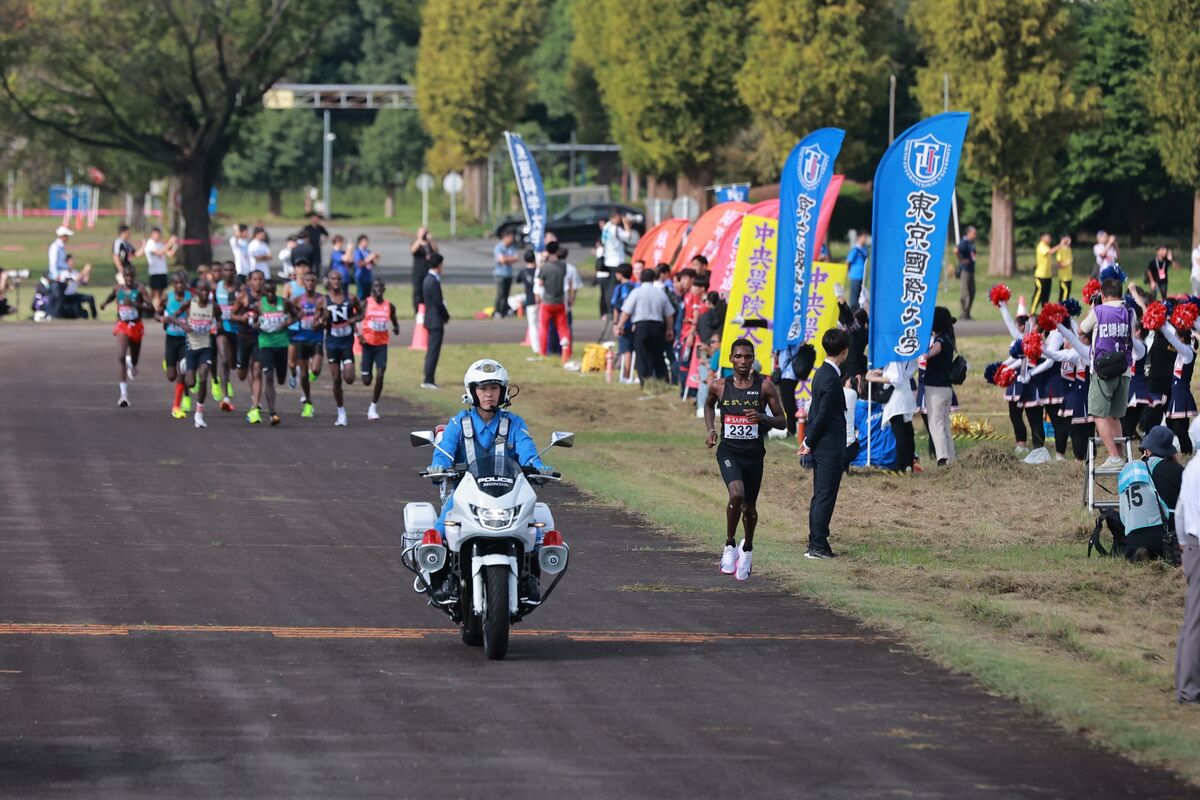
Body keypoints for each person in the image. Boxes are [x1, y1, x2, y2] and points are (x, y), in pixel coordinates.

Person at [426, 359, 552, 603]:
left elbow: (528, 451)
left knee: (537, 535)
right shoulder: (457, 424)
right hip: (465, 496)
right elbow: (443, 453)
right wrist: (438, 466)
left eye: (494, 388)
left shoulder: (514, 423)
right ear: (471, 391)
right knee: (438, 533)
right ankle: (440, 584)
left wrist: (538, 467)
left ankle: (529, 578)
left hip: (508, 495)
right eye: (482, 388)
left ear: (503, 391)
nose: (488, 394)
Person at [704, 338, 786, 581]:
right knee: (736, 495)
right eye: (738, 357)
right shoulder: (719, 386)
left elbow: (783, 422)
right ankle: (729, 544)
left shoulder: (765, 387)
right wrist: (710, 430)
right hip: (729, 452)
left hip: (753, 455)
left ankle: (747, 548)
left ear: (753, 359)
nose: (742, 361)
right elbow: (709, 407)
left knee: (749, 508)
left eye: (747, 357)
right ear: (730, 359)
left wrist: (762, 418)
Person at [799, 328, 850, 559]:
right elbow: (822, 415)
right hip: (828, 446)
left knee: (820, 495)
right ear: (845, 351)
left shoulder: (822, 373)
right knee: (825, 496)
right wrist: (809, 440)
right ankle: (817, 544)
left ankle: (816, 542)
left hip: (823, 445)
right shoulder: (830, 378)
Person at [1080, 277, 1135, 468]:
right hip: (1124, 369)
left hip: (1102, 370)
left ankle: (1113, 455)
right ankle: (1120, 456)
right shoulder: (1130, 312)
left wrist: (1091, 309)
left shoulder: (1098, 311)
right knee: (1115, 415)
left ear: (1103, 295)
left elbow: (1082, 330)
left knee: (1098, 413)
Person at [164, 279, 222, 429]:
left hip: (206, 347)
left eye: (207, 291)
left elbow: (219, 318)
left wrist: (218, 326)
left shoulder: (213, 306)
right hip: (191, 347)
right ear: (196, 292)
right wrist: (183, 325)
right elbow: (173, 316)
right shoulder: (190, 304)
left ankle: (199, 414)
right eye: (201, 290)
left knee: (203, 375)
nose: (204, 293)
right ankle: (185, 367)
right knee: (190, 383)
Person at [100, 264, 154, 407]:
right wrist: (104, 303)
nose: (129, 279)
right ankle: (123, 395)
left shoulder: (140, 289)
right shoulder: (118, 288)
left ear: (134, 277)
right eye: (126, 276)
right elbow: (112, 296)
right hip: (122, 325)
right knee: (121, 356)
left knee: (134, 359)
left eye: (131, 276)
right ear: (123, 277)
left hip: (136, 325)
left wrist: (136, 304)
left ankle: (133, 363)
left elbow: (151, 307)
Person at [616, 267, 675, 385]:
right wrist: (669, 329)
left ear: (641, 279)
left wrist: (619, 325)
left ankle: (645, 380)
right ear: (654, 279)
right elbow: (669, 314)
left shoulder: (636, 292)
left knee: (642, 355)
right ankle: (662, 380)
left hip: (641, 326)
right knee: (658, 355)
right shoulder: (660, 293)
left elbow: (626, 311)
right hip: (657, 326)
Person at [322, 269, 362, 427]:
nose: (336, 281)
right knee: (336, 379)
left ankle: (345, 366)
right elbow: (318, 322)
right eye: (333, 279)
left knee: (349, 378)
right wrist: (322, 320)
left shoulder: (351, 298)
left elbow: (361, 313)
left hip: (346, 343)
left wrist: (353, 319)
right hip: (332, 343)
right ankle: (341, 411)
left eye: (339, 279)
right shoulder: (323, 301)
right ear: (329, 281)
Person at [257, 277, 298, 426]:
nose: (270, 295)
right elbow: (253, 321)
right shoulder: (260, 304)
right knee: (268, 377)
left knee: (280, 378)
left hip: (281, 344)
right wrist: (257, 324)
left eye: (272, 291)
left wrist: (288, 323)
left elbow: (297, 314)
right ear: (263, 292)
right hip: (265, 344)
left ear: (276, 290)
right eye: (267, 292)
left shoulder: (284, 303)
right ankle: (272, 413)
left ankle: (291, 374)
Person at [1177, 453, 1200, 704]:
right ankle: (1189, 690)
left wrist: (1183, 544)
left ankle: (1185, 684)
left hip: (1192, 544)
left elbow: (1180, 512)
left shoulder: (1192, 466)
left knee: (1192, 620)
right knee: (1196, 622)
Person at [360, 278, 400, 421]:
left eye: (380, 287)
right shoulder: (365, 303)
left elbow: (394, 321)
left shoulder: (390, 306)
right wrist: (358, 335)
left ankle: (373, 407)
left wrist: (396, 328)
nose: (378, 289)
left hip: (381, 345)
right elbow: (353, 319)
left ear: (384, 289)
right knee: (366, 380)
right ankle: (364, 369)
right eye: (376, 286)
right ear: (372, 288)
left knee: (381, 374)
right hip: (367, 344)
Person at [289, 265, 325, 418]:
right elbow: (290, 315)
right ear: (303, 283)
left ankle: (311, 377)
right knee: (303, 374)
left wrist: (321, 321)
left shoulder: (321, 299)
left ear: (316, 283)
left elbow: (327, 317)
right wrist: (298, 316)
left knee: (315, 370)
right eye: (307, 280)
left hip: (316, 338)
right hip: (301, 339)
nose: (310, 283)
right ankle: (308, 402)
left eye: (313, 281)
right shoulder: (297, 300)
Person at [923, 307, 958, 465]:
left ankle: (942, 459)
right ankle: (951, 458)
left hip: (935, 388)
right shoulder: (949, 338)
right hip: (946, 387)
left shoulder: (940, 340)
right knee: (944, 425)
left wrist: (924, 354)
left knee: (935, 424)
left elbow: (933, 351)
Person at [231, 270, 266, 424]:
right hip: (244, 337)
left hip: (260, 337)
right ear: (249, 282)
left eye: (261, 279)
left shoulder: (267, 297)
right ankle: (254, 399)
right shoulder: (243, 296)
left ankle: (254, 407)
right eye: (255, 279)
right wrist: (242, 317)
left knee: (257, 369)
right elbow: (231, 315)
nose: (258, 282)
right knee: (242, 374)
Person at [161, 271, 193, 419]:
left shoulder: (191, 297)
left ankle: (176, 406)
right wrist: (162, 319)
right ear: (173, 284)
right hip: (171, 338)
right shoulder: (167, 297)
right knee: (171, 376)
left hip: (186, 340)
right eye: (177, 283)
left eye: (182, 282)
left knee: (183, 371)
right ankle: (167, 362)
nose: (180, 285)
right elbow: (157, 313)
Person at [536, 241, 572, 366]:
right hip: (559, 301)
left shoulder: (545, 267)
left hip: (547, 301)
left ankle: (542, 352)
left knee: (544, 328)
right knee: (563, 328)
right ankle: (566, 351)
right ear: (557, 250)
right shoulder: (563, 265)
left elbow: (540, 283)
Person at [212, 261, 239, 412]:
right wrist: (217, 320)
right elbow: (211, 305)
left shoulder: (240, 288)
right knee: (223, 359)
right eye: (225, 270)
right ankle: (225, 396)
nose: (228, 273)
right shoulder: (217, 287)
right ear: (222, 272)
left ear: (235, 272)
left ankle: (228, 378)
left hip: (238, 329)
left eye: (231, 270)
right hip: (223, 328)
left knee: (235, 363)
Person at [422, 253, 449, 389]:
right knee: (433, 350)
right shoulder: (433, 281)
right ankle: (428, 379)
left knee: (432, 349)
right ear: (438, 265)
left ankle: (428, 378)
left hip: (431, 319)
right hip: (435, 320)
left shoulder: (427, 279)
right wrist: (446, 315)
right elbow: (438, 303)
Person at [610, 263, 636, 379]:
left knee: (625, 350)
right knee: (632, 348)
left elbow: (616, 307)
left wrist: (616, 324)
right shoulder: (635, 287)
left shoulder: (619, 288)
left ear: (620, 274)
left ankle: (626, 375)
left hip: (624, 322)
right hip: (635, 322)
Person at [1033, 233, 1070, 313]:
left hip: (1048, 276)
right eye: (1047, 237)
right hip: (1040, 276)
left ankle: (1044, 313)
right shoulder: (1041, 246)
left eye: (1050, 237)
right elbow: (1050, 252)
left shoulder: (1047, 246)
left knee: (1046, 297)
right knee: (1038, 295)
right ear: (1042, 237)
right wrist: (1061, 244)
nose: (1049, 239)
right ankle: (1032, 312)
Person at [143, 227, 176, 311]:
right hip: (155, 272)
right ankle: (153, 309)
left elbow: (170, 254)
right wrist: (169, 242)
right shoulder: (150, 244)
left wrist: (175, 245)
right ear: (152, 235)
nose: (158, 236)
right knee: (156, 293)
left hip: (162, 271)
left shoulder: (160, 244)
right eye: (156, 234)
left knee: (160, 293)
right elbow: (159, 252)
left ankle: (151, 308)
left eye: (159, 234)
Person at [45, 225, 73, 319]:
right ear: (63, 236)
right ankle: (52, 315)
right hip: (56, 277)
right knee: (56, 297)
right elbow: (53, 263)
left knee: (60, 297)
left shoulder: (61, 247)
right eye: (67, 236)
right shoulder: (55, 247)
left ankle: (56, 315)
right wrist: (56, 275)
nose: (68, 238)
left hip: (62, 276)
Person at [410, 227, 438, 313]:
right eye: (421, 232)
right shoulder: (416, 243)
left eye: (424, 232)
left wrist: (431, 240)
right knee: (417, 292)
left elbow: (436, 250)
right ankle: (417, 311)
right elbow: (412, 250)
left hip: (428, 271)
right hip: (418, 272)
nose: (423, 234)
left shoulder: (429, 244)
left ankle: (428, 310)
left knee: (428, 291)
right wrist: (419, 239)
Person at [492, 230, 519, 318]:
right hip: (500, 274)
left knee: (506, 294)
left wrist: (507, 259)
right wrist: (509, 259)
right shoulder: (499, 247)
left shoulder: (512, 247)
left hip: (508, 274)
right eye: (511, 237)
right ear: (505, 237)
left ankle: (504, 311)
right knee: (500, 293)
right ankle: (497, 311)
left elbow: (516, 258)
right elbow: (501, 260)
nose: (512, 239)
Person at [956, 226, 977, 319]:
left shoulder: (971, 243)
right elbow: (956, 250)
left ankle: (967, 312)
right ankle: (963, 313)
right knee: (965, 293)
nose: (975, 235)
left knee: (972, 291)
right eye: (974, 233)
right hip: (965, 270)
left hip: (971, 270)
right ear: (968, 233)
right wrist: (962, 260)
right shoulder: (964, 242)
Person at [352, 234, 380, 300]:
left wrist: (375, 259)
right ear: (360, 242)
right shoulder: (357, 252)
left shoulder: (368, 251)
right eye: (365, 241)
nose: (367, 243)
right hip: (361, 277)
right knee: (361, 296)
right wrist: (369, 258)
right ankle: (359, 309)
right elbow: (359, 264)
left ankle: (366, 309)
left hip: (368, 277)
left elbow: (372, 263)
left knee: (368, 297)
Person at [846, 232, 869, 311]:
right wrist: (848, 273)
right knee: (854, 297)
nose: (865, 239)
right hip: (855, 275)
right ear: (859, 238)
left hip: (862, 276)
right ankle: (853, 313)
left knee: (861, 295)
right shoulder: (855, 250)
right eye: (863, 237)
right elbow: (848, 262)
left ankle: (859, 312)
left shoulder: (865, 249)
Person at [1056, 235, 1074, 303]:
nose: (1067, 240)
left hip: (1069, 277)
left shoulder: (1069, 249)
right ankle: (1062, 310)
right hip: (1063, 278)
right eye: (1065, 239)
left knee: (1066, 295)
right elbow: (1060, 265)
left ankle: (1061, 310)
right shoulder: (1060, 250)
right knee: (1064, 296)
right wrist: (1068, 263)